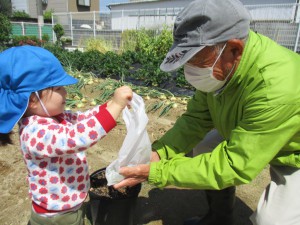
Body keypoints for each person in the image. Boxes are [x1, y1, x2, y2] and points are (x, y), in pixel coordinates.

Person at [113, 0, 300, 225]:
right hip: (255, 129)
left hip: (293, 152)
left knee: (272, 221)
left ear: (234, 49)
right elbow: (196, 119)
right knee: (205, 146)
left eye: (196, 60)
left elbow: (235, 165)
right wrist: (159, 153)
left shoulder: (275, 89)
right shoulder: (224, 67)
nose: (190, 69)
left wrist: (156, 172)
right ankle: (219, 218)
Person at [0, 45, 133, 225]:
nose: (65, 92)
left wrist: (109, 105)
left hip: (68, 207)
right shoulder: (35, 133)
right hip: (56, 216)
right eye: (59, 88)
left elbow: (82, 118)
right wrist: (115, 107)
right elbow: (77, 137)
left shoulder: (54, 117)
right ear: (32, 99)